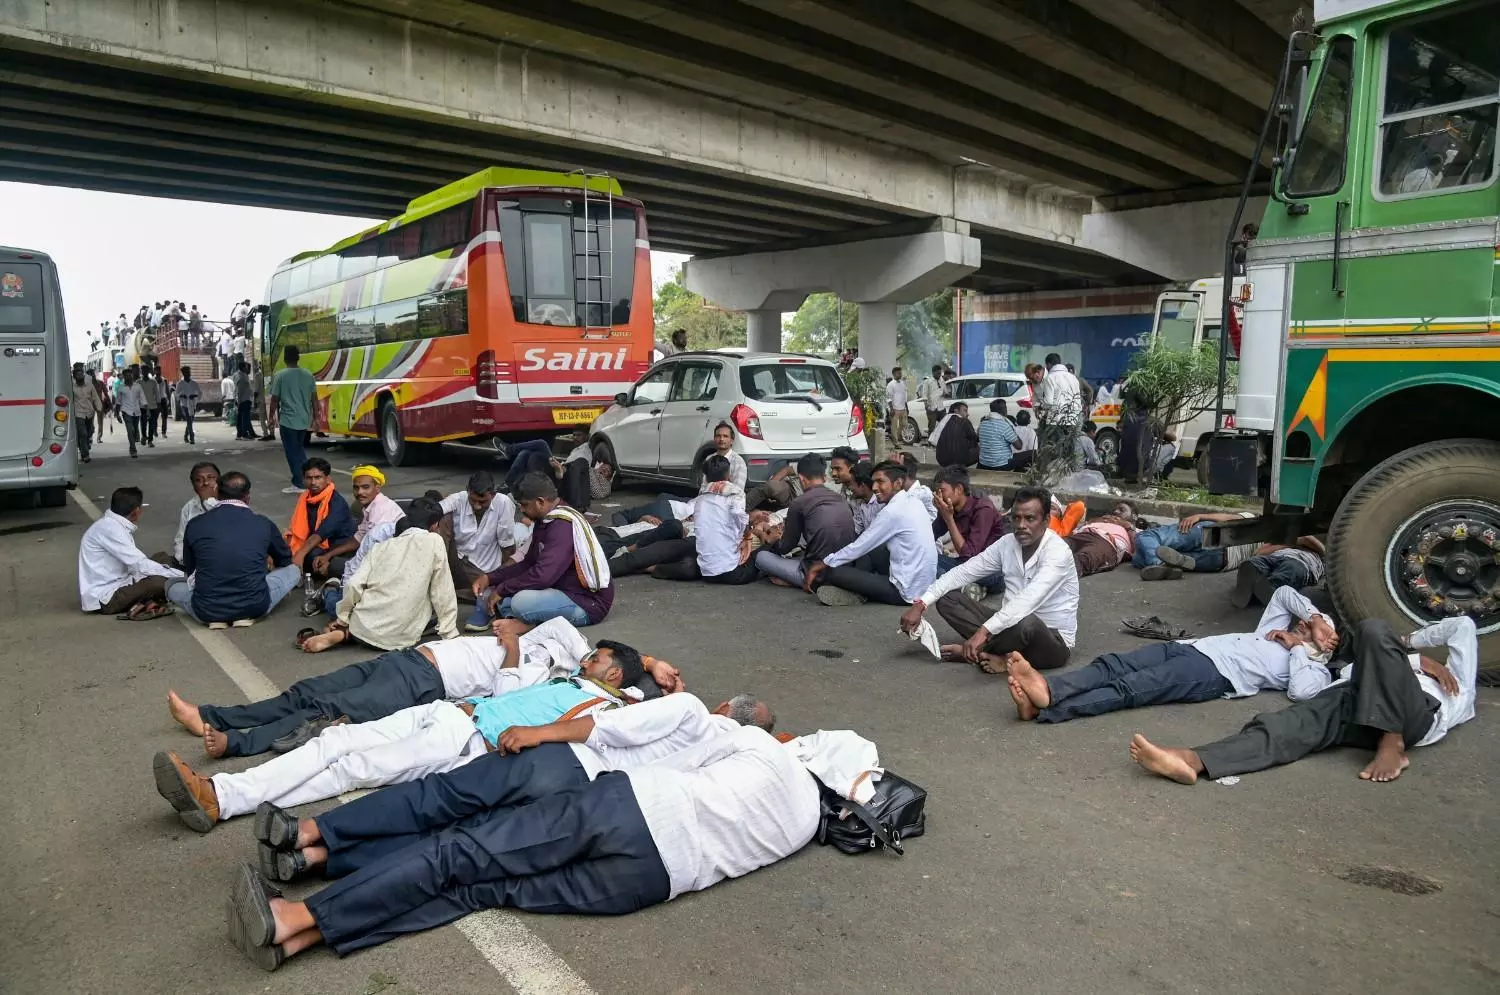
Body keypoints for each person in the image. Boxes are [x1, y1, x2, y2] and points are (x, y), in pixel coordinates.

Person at [218, 709, 818, 971]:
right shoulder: (805, 822)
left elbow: (626, 741)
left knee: (458, 850)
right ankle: (303, 935)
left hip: (627, 808)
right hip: (650, 881)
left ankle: (294, 910)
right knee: (476, 887)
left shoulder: (740, 737)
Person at [247, 691, 767, 884]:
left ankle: (308, 831)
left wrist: (538, 732)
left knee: (437, 799)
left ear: (726, 706)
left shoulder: (693, 708)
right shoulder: (733, 759)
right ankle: (316, 863)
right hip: (593, 803)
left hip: (565, 760)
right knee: (456, 838)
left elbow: (610, 728)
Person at [153, 641, 656, 832]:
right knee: (333, 743)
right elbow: (506, 683)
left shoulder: (614, 706)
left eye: (598, 660)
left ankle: (222, 796)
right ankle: (223, 795)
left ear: (615, 676)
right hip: (447, 711)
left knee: (350, 768)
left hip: (465, 743)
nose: (588, 658)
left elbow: (655, 712)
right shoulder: (562, 677)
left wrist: (651, 668)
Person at [1131, 616, 1478, 786]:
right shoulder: (1355, 664)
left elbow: (1462, 624)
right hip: (1353, 702)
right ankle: (1194, 761)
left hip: (1414, 712)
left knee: (1374, 628)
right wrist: (1411, 656)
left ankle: (1393, 742)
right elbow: (1372, 662)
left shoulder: (1457, 682)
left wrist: (1413, 647)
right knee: (1285, 725)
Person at [1006, 587, 1339, 724]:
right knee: (1114, 664)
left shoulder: (1313, 667)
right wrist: (1316, 618)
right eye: (1305, 624)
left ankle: (1044, 710)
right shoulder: (1277, 630)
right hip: (1191, 647)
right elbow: (1283, 595)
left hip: (1213, 674)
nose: (1299, 626)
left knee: (1130, 687)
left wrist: (1298, 648)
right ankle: (1049, 691)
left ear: (1323, 648)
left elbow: (1301, 693)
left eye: (1309, 632)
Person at [900, 485, 1077, 672]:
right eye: (1016, 518)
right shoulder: (1007, 544)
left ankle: (986, 654)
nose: (1021, 525)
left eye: (1030, 518)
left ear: (1046, 520)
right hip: (1007, 627)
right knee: (948, 599)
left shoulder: (1058, 552)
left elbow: (1027, 601)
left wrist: (983, 632)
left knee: (1027, 622)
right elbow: (964, 572)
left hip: (1050, 641)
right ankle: (995, 652)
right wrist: (921, 604)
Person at [296, 498, 458, 654]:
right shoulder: (435, 541)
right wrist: (450, 634)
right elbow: (443, 591)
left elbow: (354, 585)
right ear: (434, 525)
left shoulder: (381, 547)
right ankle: (347, 631)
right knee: (430, 615)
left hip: (363, 626)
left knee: (353, 604)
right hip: (400, 636)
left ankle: (345, 632)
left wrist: (342, 620)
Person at [469, 472, 615, 627]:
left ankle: (523, 626)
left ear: (540, 502)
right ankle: (515, 621)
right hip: (560, 590)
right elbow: (528, 564)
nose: (522, 511)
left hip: (585, 603)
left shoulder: (561, 526)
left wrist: (502, 589)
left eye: (524, 505)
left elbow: (544, 576)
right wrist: (490, 578)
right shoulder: (546, 520)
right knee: (504, 593)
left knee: (519, 602)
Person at [166, 472, 300, 628]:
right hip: (254, 605)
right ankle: (246, 615)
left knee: (171, 584)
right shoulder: (263, 523)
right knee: (293, 570)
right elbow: (284, 560)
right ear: (247, 496)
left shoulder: (195, 524)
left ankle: (217, 619)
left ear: (216, 493)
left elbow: (191, 570)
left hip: (207, 610)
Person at [804, 460, 938, 607]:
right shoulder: (913, 501)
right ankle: (859, 588)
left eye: (880, 482)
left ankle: (859, 593)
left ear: (898, 483)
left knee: (832, 572)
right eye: (873, 482)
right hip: (925, 587)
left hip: (904, 593)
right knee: (870, 551)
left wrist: (823, 563)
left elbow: (860, 546)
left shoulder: (892, 512)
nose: (874, 487)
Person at [613, 456, 758, 583]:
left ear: (706, 478)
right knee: (763, 554)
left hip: (705, 570)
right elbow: (740, 518)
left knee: (687, 558)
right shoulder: (735, 494)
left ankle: (637, 564)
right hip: (730, 572)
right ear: (728, 475)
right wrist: (748, 537)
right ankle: (649, 566)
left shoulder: (701, 501)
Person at [752, 454, 858, 588]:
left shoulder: (799, 502)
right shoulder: (840, 498)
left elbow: (785, 547)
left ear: (801, 479)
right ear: (824, 478)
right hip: (845, 569)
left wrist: (773, 539)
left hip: (816, 574)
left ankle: (798, 580)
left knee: (761, 557)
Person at [78, 487, 184, 619]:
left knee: (162, 558)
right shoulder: (111, 529)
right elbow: (140, 564)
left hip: (123, 580)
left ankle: (156, 595)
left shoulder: (111, 524)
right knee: (159, 582)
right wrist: (182, 576)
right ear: (136, 512)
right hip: (106, 598)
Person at [303, 464, 404, 601]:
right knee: (329, 556)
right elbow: (357, 539)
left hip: (387, 564)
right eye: (356, 488)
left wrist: (336, 564)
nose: (360, 492)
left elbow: (371, 555)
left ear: (377, 488)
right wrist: (328, 555)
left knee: (335, 566)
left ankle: (333, 589)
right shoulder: (370, 506)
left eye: (365, 487)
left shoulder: (381, 510)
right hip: (373, 556)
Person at [437, 471, 518, 600]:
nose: (477, 506)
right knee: (443, 519)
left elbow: (507, 546)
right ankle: (444, 582)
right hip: (458, 562)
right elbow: (433, 511)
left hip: (486, 570)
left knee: (493, 591)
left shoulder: (503, 503)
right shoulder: (458, 499)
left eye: (482, 502)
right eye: (472, 500)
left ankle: (457, 592)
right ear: (467, 491)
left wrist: (503, 577)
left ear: (493, 495)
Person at [932, 466, 1006, 586]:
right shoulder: (949, 507)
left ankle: (961, 588)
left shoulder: (983, 509)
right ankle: (965, 587)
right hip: (968, 565)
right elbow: (931, 534)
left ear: (958, 489)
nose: (938, 496)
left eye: (942, 491)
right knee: (925, 559)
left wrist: (949, 519)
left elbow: (968, 555)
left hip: (993, 571)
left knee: (932, 563)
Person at [1134, 511, 1258, 581]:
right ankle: (1164, 565)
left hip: (1215, 535)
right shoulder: (1275, 549)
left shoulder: (1256, 519)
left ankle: (1158, 563)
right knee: (1137, 559)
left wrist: (1199, 516)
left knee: (1145, 537)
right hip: (1221, 562)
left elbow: (1228, 518)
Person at [268, 345, 318, 493]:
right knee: (299, 450)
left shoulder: (280, 375)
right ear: (298, 358)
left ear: (285, 358)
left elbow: (275, 399)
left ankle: (299, 483)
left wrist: (271, 417)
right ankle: (306, 479)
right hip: (303, 420)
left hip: (288, 421)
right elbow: (315, 399)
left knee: (292, 453)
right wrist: (316, 418)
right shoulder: (308, 375)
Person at [1231, 538, 1327, 608]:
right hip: (1274, 557)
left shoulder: (1322, 547)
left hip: (1302, 561)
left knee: (1289, 570)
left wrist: (1293, 542)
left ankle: (1265, 591)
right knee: (1254, 563)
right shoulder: (1283, 540)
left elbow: (1313, 544)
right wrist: (1291, 543)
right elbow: (1258, 552)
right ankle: (1258, 590)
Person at [163, 462, 220, 569]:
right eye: (199, 480)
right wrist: (185, 560)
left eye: (211, 478)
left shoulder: (229, 502)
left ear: (219, 481)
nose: (206, 483)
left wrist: (207, 502)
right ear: (193, 486)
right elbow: (180, 539)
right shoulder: (189, 507)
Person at [1064, 502, 1137, 577]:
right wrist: (1094, 521)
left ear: (1134, 516)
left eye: (1122, 510)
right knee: (1056, 547)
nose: (1116, 512)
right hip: (1081, 535)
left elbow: (1138, 547)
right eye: (1115, 510)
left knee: (1081, 559)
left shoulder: (1137, 531)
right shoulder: (1102, 520)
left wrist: (1129, 526)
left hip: (1107, 542)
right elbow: (1075, 528)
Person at [1037, 353, 1082, 429]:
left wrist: (1041, 407)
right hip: (1073, 419)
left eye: (1046, 366)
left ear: (1049, 364)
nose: (1046, 368)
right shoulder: (1073, 378)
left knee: (1054, 441)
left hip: (1056, 421)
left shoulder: (1050, 378)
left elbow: (1048, 402)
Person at [70, 363, 102, 463]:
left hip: (89, 412)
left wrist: (99, 407)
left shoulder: (89, 385)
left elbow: (95, 397)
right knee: (82, 433)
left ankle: (82, 445)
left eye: (81, 374)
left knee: (89, 432)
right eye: (78, 375)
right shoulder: (72, 387)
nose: (80, 376)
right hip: (78, 413)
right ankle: (85, 455)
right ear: (75, 377)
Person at [978, 399, 1022, 471]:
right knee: (1031, 454)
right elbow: (1019, 446)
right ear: (1004, 410)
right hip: (1001, 465)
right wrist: (1012, 429)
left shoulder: (982, 424)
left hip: (983, 463)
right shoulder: (1004, 425)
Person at [114, 368, 148, 458]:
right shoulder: (121, 388)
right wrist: (117, 414)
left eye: (130, 374)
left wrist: (147, 410)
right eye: (126, 375)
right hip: (126, 412)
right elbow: (118, 402)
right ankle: (133, 450)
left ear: (132, 375)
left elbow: (143, 399)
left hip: (136, 412)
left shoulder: (138, 386)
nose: (128, 376)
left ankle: (131, 446)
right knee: (130, 430)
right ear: (124, 376)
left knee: (134, 431)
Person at [933, 401, 979, 468]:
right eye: (965, 411)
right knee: (980, 447)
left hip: (941, 460)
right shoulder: (964, 421)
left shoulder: (943, 421)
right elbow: (975, 438)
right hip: (959, 461)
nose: (968, 414)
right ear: (956, 411)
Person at [705, 421, 747, 493]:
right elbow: (703, 487)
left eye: (725, 436)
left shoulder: (738, 461)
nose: (721, 439)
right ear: (714, 439)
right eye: (718, 436)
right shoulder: (709, 459)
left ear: (731, 440)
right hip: (708, 499)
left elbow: (738, 491)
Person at [917, 364, 945, 439]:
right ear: (933, 373)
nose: (939, 375)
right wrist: (926, 406)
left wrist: (945, 393)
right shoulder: (927, 382)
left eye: (940, 373)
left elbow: (945, 391)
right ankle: (930, 441)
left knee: (944, 424)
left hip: (941, 407)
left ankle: (941, 441)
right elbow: (925, 395)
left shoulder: (942, 381)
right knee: (932, 426)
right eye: (938, 373)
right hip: (931, 407)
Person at [175, 366, 201, 443]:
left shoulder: (194, 383)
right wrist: (182, 395)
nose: (188, 373)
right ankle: (192, 437)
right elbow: (176, 394)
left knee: (190, 421)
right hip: (184, 404)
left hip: (192, 404)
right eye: (186, 372)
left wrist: (194, 396)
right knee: (189, 419)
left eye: (189, 372)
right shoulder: (180, 383)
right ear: (183, 373)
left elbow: (199, 393)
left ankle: (186, 435)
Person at [886, 366, 909, 447]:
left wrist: (906, 407)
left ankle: (898, 438)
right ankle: (896, 443)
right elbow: (888, 398)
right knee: (894, 427)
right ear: (894, 374)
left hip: (903, 408)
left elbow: (904, 396)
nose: (900, 374)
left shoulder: (902, 383)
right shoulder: (890, 385)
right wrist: (891, 409)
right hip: (895, 408)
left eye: (900, 372)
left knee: (904, 425)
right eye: (898, 373)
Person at [137, 366, 160, 447]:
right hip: (142, 407)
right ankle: (144, 436)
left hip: (152, 406)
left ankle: (150, 440)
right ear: (141, 371)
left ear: (148, 371)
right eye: (143, 370)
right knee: (143, 424)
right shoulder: (138, 382)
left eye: (146, 370)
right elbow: (136, 395)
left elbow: (157, 394)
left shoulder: (153, 382)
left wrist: (158, 404)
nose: (144, 372)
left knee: (151, 424)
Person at [233, 360, 255, 440]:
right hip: (243, 399)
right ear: (243, 367)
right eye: (246, 367)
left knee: (240, 417)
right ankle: (244, 434)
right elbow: (240, 390)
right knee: (244, 418)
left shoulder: (238, 375)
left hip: (242, 399)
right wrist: (239, 400)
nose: (247, 368)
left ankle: (240, 434)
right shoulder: (242, 376)